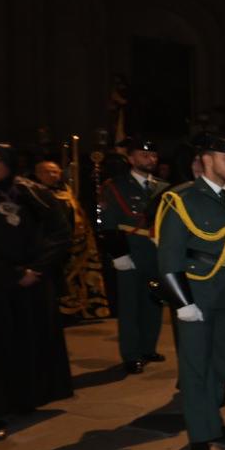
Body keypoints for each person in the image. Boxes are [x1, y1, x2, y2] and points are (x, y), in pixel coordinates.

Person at [153, 135, 225, 450]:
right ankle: (199, 435)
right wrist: (181, 301)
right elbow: (168, 255)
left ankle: (212, 421)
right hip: (197, 291)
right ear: (207, 159)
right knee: (195, 365)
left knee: (220, 360)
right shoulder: (180, 198)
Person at [0, 143, 73, 439]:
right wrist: (12, 274)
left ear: (8, 161)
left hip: (30, 285)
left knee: (26, 342)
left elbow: (59, 233)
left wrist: (37, 269)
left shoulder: (32, 192)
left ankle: (25, 398)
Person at [99, 138, 169, 373]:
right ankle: (131, 353)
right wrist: (119, 254)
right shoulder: (115, 186)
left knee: (154, 300)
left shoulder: (164, 187)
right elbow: (108, 223)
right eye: (143, 155)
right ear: (131, 159)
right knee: (130, 305)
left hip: (157, 251)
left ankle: (148, 347)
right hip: (130, 249)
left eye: (153, 156)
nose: (150, 159)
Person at [34, 159, 110, 323]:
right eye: (47, 172)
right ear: (38, 174)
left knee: (77, 279)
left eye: (55, 171)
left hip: (74, 242)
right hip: (50, 243)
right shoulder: (34, 192)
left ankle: (78, 310)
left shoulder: (66, 190)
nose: (52, 175)